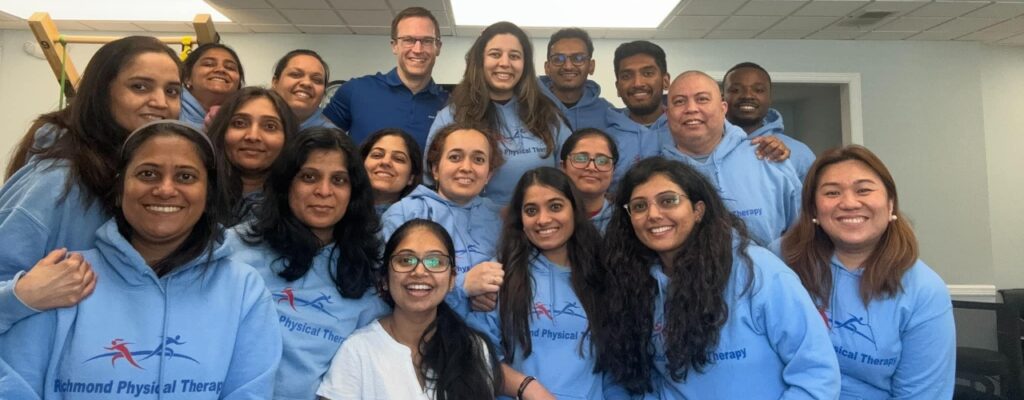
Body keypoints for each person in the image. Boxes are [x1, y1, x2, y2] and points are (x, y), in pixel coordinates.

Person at [0, 120, 282, 399]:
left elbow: (250, 393)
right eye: (148, 174)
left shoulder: (243, 289)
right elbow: (17, 387)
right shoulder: (65, 275)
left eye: (185, 177)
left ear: (208, 195)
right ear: (120, 189)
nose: (165, 189)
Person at [591, 156, 840, 398]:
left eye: (668, 201)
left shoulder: (758, 272)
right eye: (639, 206)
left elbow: (817, 374)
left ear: (698, 210)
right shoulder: (633, 285)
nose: (653, 214)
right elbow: (627, 377)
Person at [0, 36, 183, 326]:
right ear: (101, 92)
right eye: (140, 87)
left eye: (172, 91)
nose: (160, 102)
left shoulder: (136, 176)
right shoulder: (56, 181)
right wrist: (22, 295)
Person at [779, 145, 954, 399]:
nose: (849, 203)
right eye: (832, 192)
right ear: (814, 209)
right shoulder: (779, 261)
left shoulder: (925, 291)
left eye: (864, 190)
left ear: (890, 204)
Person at [231, 127, 389, 400]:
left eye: (339, 180)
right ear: (286, 183)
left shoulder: (366, 267)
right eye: (309, 177)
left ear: (353, 192)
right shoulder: (236, 249)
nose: (324, 191)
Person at [466, 167, 622, 399]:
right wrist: (526, 387)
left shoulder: (602, 273)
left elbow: (616, 366)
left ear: (574, 210)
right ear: (520, 218)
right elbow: (478, 355)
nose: (543, 219)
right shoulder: (499, 274)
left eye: (555, 206)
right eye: (531, 210)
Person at [317, 219, 501, 400]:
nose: (419, 272)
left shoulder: (473, 348)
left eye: (434, 261)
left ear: (452, 279)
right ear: (384, 279)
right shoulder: (357, 351)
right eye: (406, 260)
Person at [426, 21, 571, 206]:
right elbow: (431, 180)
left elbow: (572, 171)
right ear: (480, 60)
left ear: (525, 65)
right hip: (472, 221)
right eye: (495, 54)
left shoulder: (548, 115)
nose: (505, 63)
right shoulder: (451, 117)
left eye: (514, 56)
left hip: (538, 220)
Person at [660, 70, 801, 246]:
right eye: (679, 101)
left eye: (702, 99)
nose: (691, 109)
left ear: (723, 108)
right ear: (667, 114)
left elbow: (803, 237)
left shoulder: (769, 160)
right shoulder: (656, 175)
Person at [382, 123, 504, 284]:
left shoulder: (501, 218)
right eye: (455, 157)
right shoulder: (404, 214)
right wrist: (463, 286)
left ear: (488, 174)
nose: (466, 167)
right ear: (435, 169)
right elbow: (388, 280)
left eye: (478, 159)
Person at [323, 7, 448, 149]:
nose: (417, 49)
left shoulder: (449, 106)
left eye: (427, 41)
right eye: (408, 40)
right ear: (394, 46)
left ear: (438, 47)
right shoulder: (355, 91)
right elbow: (319, 145)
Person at [207, 86, 298, 224]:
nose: (253, 136)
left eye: (270, 126)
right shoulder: (196, 192)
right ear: (221, 131)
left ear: (288, 137)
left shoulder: (300, 203)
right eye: (239, 123)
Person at [723, 62, 815, 180]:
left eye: (758, 90)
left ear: (770, 98)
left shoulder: (800, 153)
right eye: (736, 90)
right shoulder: (707, 147)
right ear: (722, 98)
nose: (747, 96)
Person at [538, 28, 612, 132]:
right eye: (558, 59)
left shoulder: (608, 114)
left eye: (578, 58)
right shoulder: (529, 107)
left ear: (591, 66)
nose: (568, 66)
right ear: (547, 67)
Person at [559, 129, 618, 232]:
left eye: (602, 161)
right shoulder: (548, 218)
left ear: (613, 170)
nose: (591, 167)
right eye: (580, 158)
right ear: (563, 166)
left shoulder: (626, 219)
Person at [359, 128, 423, 215]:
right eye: (377, 155)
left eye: (398, 159)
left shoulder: (421, 216)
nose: (385, 162)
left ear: (411, 177)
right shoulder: (342, 208)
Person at [179, 43, 244, 127]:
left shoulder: (242, 118)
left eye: (230, 67)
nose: (221, 69)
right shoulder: (170, 108)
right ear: (187, 77)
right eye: (208, 64)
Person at [271, 49, 336, 130]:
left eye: (316, 80)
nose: (307, 83)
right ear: (275, 82)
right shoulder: (256, 121)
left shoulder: (332, 136)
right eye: (296, 74)